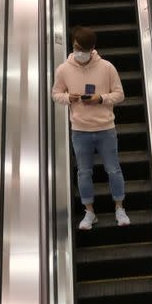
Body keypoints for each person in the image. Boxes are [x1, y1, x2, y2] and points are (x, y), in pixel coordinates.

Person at [52, 26, 129, 230]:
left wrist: (101, 98)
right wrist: (69, 98)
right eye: (76, 47)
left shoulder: (107, 67)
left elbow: (120, 94)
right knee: (83, 172)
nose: (79, 52)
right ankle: (89, 212)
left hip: (106, 128)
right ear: (72, 45)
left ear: (92, 48)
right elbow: (55, 94)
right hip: (80, 130)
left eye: (83, 48)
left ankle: (119, 208)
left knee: (113, 169)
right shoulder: (63, 69)